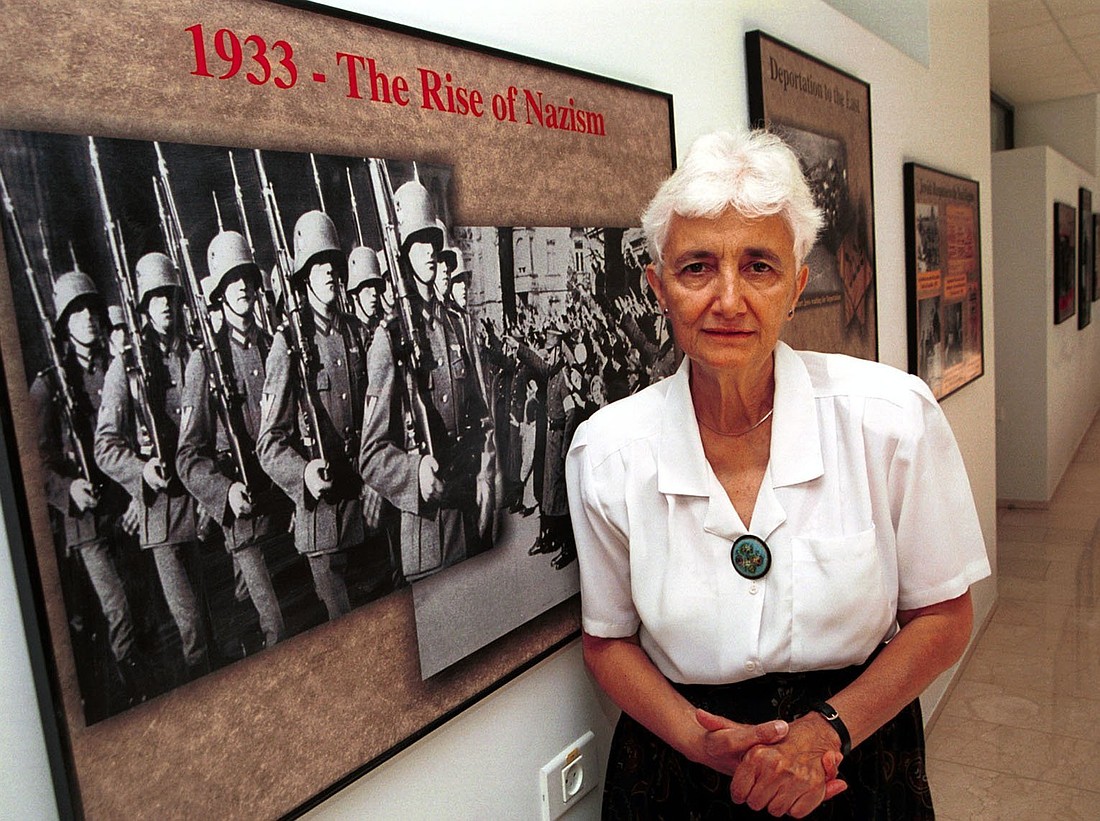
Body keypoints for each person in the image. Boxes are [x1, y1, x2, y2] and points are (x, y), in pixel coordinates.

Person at [565, 130, 991, 819]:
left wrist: (824, 730)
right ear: (658, 287)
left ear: (796, 284)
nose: (728, 300)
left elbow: (943, 615)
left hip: (851, 754)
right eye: (697, 267)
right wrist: (699, 742)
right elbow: (606, 641)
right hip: (681, 768)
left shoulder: (889, 418)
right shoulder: (608, 451)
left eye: (758, 266)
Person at [360, 180, 495, 583]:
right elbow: (371, 454)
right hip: (429, 529)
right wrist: (413, 471)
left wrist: (487, 473)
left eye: (433, 239)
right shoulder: (389, 337)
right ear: (403, 254)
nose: (431, 250)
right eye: (419, 242)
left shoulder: (455, 325)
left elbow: (481, 415)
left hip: (471, 511)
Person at [30, 270, 145, 701]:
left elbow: (135, 438)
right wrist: (67, 490)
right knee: (120, 614)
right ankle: (134, 697)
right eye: (76, 313)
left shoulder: (116, 371)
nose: (88, 319)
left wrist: (137, 492)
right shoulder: (48, 386)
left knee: (146, 610)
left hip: (124, 509)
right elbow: (36, 464)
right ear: (63, 323)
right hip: (85, 522)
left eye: (91, 310)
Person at [95, 252, 208, 677]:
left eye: (168, 295)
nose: (163, 304)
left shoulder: (193, 356)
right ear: (142, 306)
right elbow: (105, 446)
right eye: (154, 297)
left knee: (211, 618)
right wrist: (140, 469)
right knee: (191, 628)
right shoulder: (125, 366)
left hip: (199, 503)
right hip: (160, 513)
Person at [257, 210, 373, 620]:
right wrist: (301, 474)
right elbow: (268, 443)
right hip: (321, 522)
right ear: (303, 274)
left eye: (331, 264)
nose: (326, 271)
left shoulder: (354, 333)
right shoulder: (286, 343)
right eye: (316, 264)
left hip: (363, 512)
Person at [177, 230, 289, 649]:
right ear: (219, 293)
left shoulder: (275, 346)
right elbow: (188, 457)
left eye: (246, 276)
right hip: (242, 514)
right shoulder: (204, 360)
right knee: (276, 626)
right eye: (230, 280)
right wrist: (224, 493)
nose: (241, 285)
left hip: (286, 505)